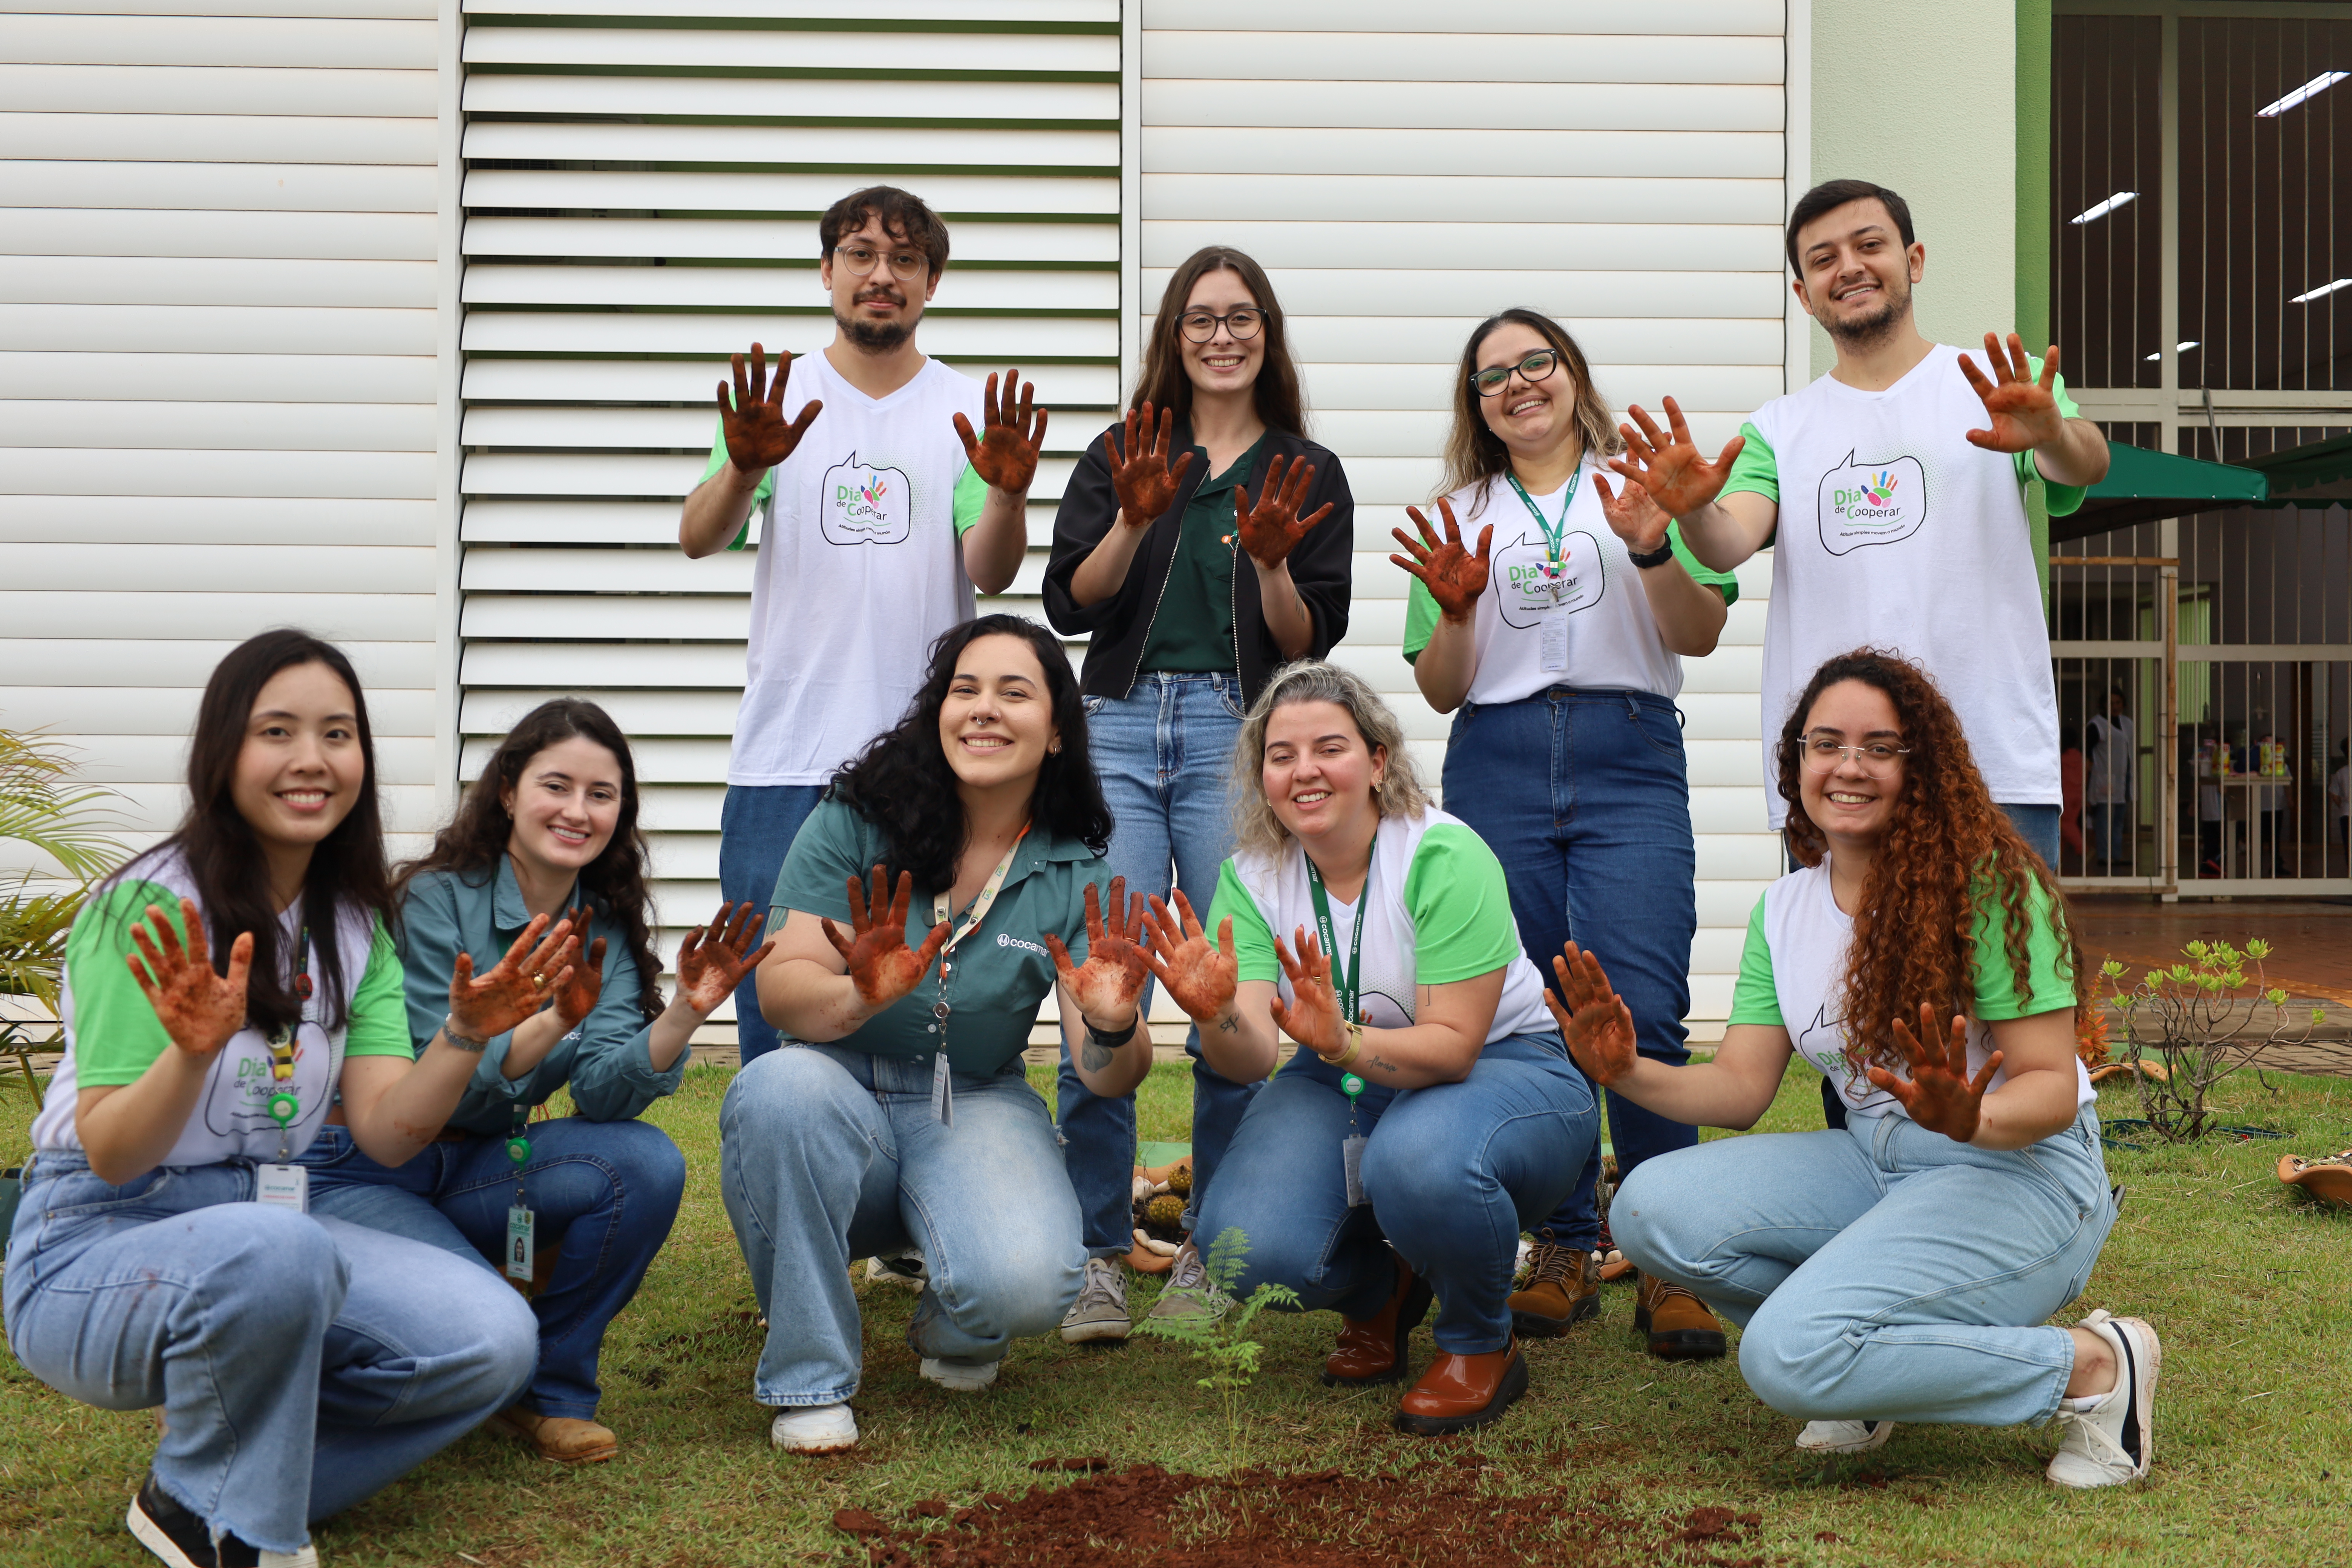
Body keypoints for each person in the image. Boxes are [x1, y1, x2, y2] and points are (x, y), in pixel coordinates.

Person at [5, 631, 548, 1568]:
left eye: (338, 733)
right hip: (93, 1242)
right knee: (281, 1246)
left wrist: (465, 1035)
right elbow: (111, 1153)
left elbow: (385, 1132)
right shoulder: (151, 908)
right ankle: (249, 1538)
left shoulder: (354, 925)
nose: (312, 759)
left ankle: (195, 1487)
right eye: (277, 731)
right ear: (224, 754)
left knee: (494, 1341)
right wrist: (187, 1054)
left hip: (263, 1226)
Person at [1554, 649, 2157, 1491]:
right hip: (1879, 1163)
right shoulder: (1786, 908)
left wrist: (1971, 1119)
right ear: (1796, 759)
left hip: (2021, 1174)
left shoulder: (1990, 886)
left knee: (1784, 1359)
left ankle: (2093, 1367)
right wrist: (1625, 1070)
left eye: (1880, 746)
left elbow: (2053, 1088)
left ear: (1924, 765)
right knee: (1652, 1209)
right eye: (1825, 742)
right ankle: (1870, 1366)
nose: (1849, 766)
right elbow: (1738, 1089)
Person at [293, 699, 773, 1465]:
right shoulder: (436, 900)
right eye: (558, 786)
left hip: (486, 1167)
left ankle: (546, 1389)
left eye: (602, 795)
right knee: (477, 1321)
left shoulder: (604, 930)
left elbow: (604, 1098)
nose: (577, 811)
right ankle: (331, 1380)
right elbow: (425, 1087)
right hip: (373, 1167)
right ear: (509, 791)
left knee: (644, 1162)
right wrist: (549, 1023)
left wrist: (685, 1012)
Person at [1392, 307, 1736, 1356]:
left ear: (1573, 376)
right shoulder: (1459, 516)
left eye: (1536, 362)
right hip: (1495, 759)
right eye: (1494, 375)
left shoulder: (1639, 488)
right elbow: (1441, 692)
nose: (1518, 383)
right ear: (1478, 405)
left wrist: (1648, 547)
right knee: (1530, 1010)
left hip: (1625, 746)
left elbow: (1703, 631)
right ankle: (1567, 1243)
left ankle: (1669, 1256)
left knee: (1643, 999)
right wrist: (1453, 612)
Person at [724, 615, 1155, 1455]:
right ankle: (811, 1374)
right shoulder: (856, 821)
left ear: (1058, 730)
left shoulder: (1077, 871)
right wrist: (857, 994)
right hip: (835, 1083)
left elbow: (1109, 1076)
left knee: (1032, 1284)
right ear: (938, 710)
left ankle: (956, 1323)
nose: (984, 710)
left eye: (1014, 692)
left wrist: (1112, 1021)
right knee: (775, 1093)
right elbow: (779, 992)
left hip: (974, 1099)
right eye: (965, 689)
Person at [1141, 661, 1597, 1436]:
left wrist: (1344, 1041)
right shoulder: (1251, 876)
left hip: (1509, 1067)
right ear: (1263, 777)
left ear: (1378, 760)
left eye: (1330, 748)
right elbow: (1250, 1059)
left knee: (1415, 1162)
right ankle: (1380, 1289)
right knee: (1240, 1245)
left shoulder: (1441, 855)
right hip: (1344, 1073)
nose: (1304, 771)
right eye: (1281, 756)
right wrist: (1217, 1014)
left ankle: (1478, 1341)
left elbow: (1454, 1049)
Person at [1608, 178, 2112, 869]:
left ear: (1916, 260)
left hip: (1994, 763)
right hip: (1838, 780)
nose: (1847, 267)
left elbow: (2085, 464)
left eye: (1868, 245)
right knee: (1838, 982)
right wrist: (1692, 507)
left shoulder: (1997, 384)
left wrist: (2052, 431)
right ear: (1804, 294)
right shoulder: (1779, 430)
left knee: (2010, 980)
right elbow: (1727, 542)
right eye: (1822, 259)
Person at [1042, 246, 1355, 1338]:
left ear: (1268, 333)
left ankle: (1208, 1252)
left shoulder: (1305, 471)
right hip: (1121, 728)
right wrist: (1131, 518)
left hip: (1237, 729)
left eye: (1243, 317)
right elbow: (1070, 609)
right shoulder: (1125, 452)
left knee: (1231, 992)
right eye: (1200, 319)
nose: (1222, 336)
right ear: (1174, 336)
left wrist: (1271, 566)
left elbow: (1312, 637)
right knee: (1107, 981)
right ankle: (1095, 1253)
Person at [678, 184, 1046, 1064]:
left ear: (931, 282)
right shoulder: (776, 400)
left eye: (904, 260)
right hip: (784, 754)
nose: (881, 276)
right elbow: (700, 535)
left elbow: (988, 571)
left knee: (904, 999)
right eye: (860, 255)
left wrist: (1004, 491)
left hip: (922, 759)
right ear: (826, 270)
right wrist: (741, 468)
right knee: (776, 999)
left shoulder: (962, 413)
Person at [2086, 685, 2135, 873]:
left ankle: (2115, 856)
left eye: (2118, 702)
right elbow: (2088, 754)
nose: (2115, 706)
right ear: (2103, 705)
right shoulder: (2096, 725)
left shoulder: (2128, 723)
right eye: (2111, 703)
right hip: (2104, 780)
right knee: (2104, 821)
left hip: (2124, 780)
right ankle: (2104, 856)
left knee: (2119, 821)